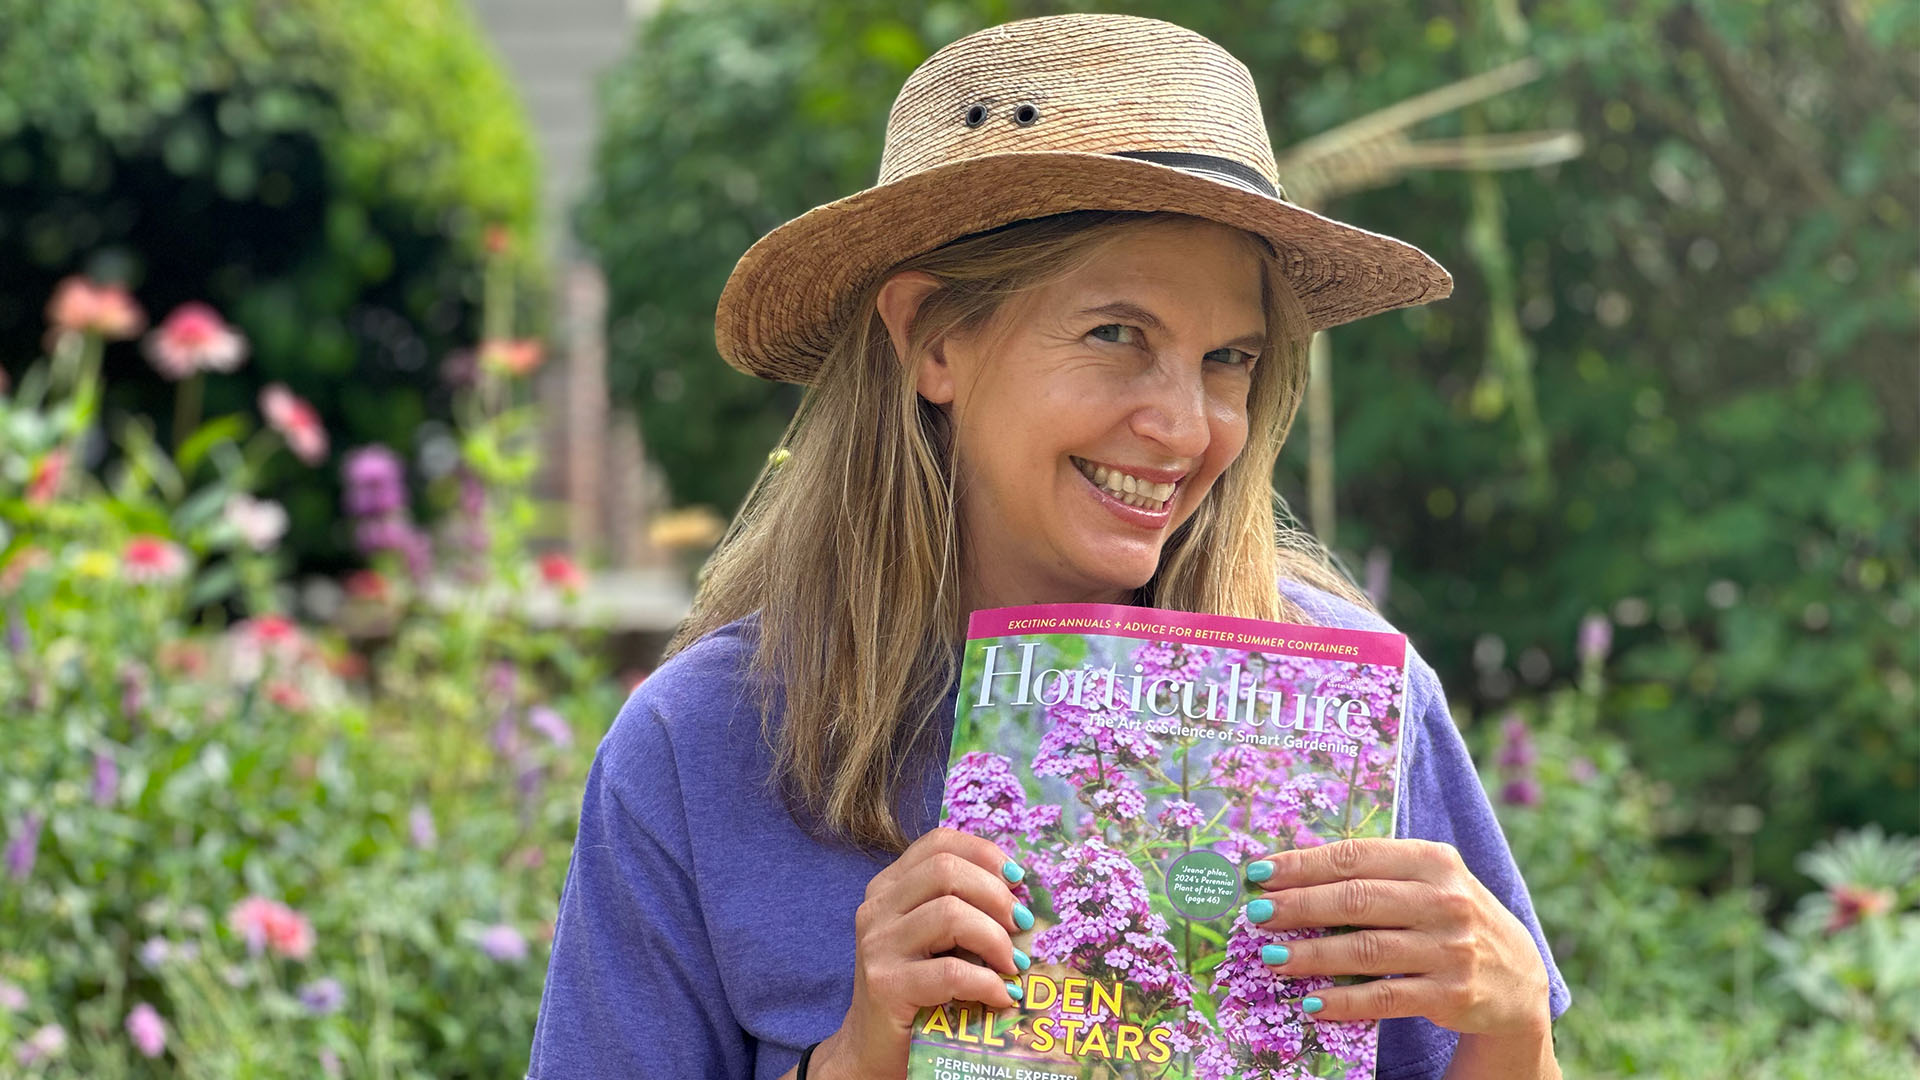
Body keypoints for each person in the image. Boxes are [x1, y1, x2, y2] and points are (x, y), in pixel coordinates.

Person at [527, 13, 1570, 1080]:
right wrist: (854, 1055)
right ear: (933, 338)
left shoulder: (1352, 710)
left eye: (1229, 359)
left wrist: (1514, 1024)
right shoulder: (699, 744)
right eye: (1118, 334)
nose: (1185, 427)